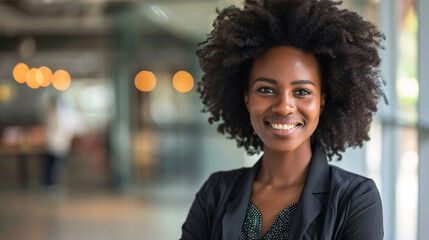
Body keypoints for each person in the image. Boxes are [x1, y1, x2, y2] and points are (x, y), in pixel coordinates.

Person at [181, 0, 386, 239]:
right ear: (246, 98)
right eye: (266, 90)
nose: (284, 107)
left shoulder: (355, 199)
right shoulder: (216, 192)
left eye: (302, 91)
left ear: (322, 101)